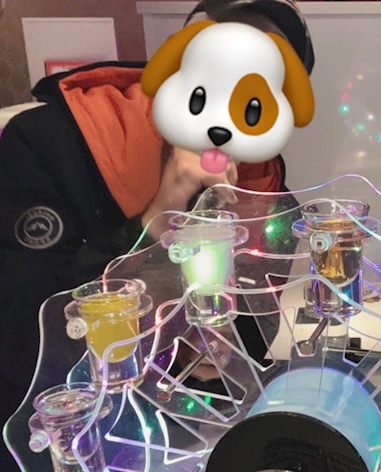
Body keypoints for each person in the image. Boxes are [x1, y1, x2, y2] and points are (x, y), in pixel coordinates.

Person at [0, 0, 311, 469]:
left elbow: (246, 349)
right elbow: (22, 335)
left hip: (187, 435)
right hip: (58, 439)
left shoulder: (265, 187)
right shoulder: (51, 141)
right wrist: (159, 218)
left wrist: (218, 345)